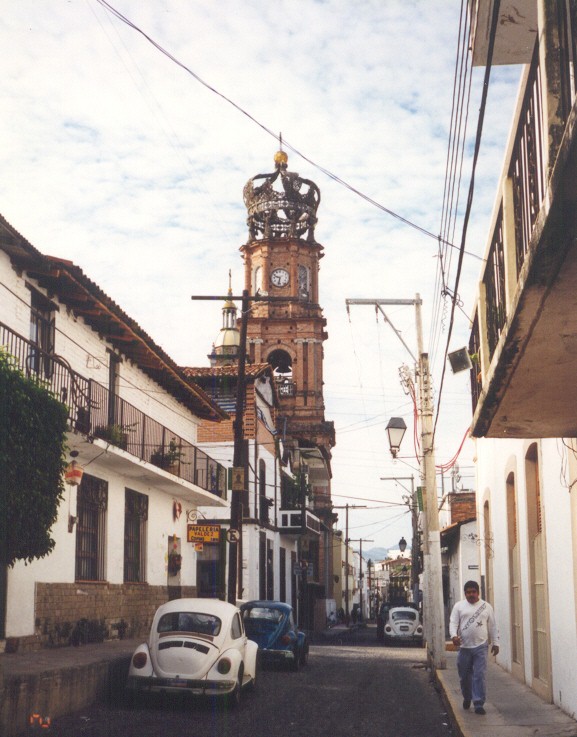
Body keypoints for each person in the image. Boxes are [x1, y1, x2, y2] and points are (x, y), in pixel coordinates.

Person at [449, 580, 500, 716]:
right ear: (465, 593)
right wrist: (453, 636)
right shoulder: (459, 606)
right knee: (464, 676)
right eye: (468, 592)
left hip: (481, 646)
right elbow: (453, 623)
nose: (471, 594)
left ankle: (478, 703)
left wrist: (496, 643)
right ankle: (467, 697)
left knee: (479, 675)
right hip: (464, 647)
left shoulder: (486, 607)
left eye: (473, 592)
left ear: (478, 592)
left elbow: (493, 626)